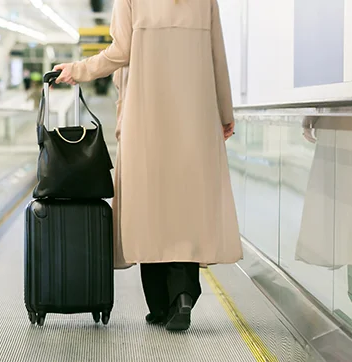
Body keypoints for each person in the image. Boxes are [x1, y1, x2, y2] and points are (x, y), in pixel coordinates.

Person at [54, 0, 242, 332]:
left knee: (151, 208)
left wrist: (78, 70)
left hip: (146, 116)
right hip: (195, 117)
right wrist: (224, 113)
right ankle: (183, 294)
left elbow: (120, 50)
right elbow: (217, 57)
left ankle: (159, 305)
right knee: (186, 207)